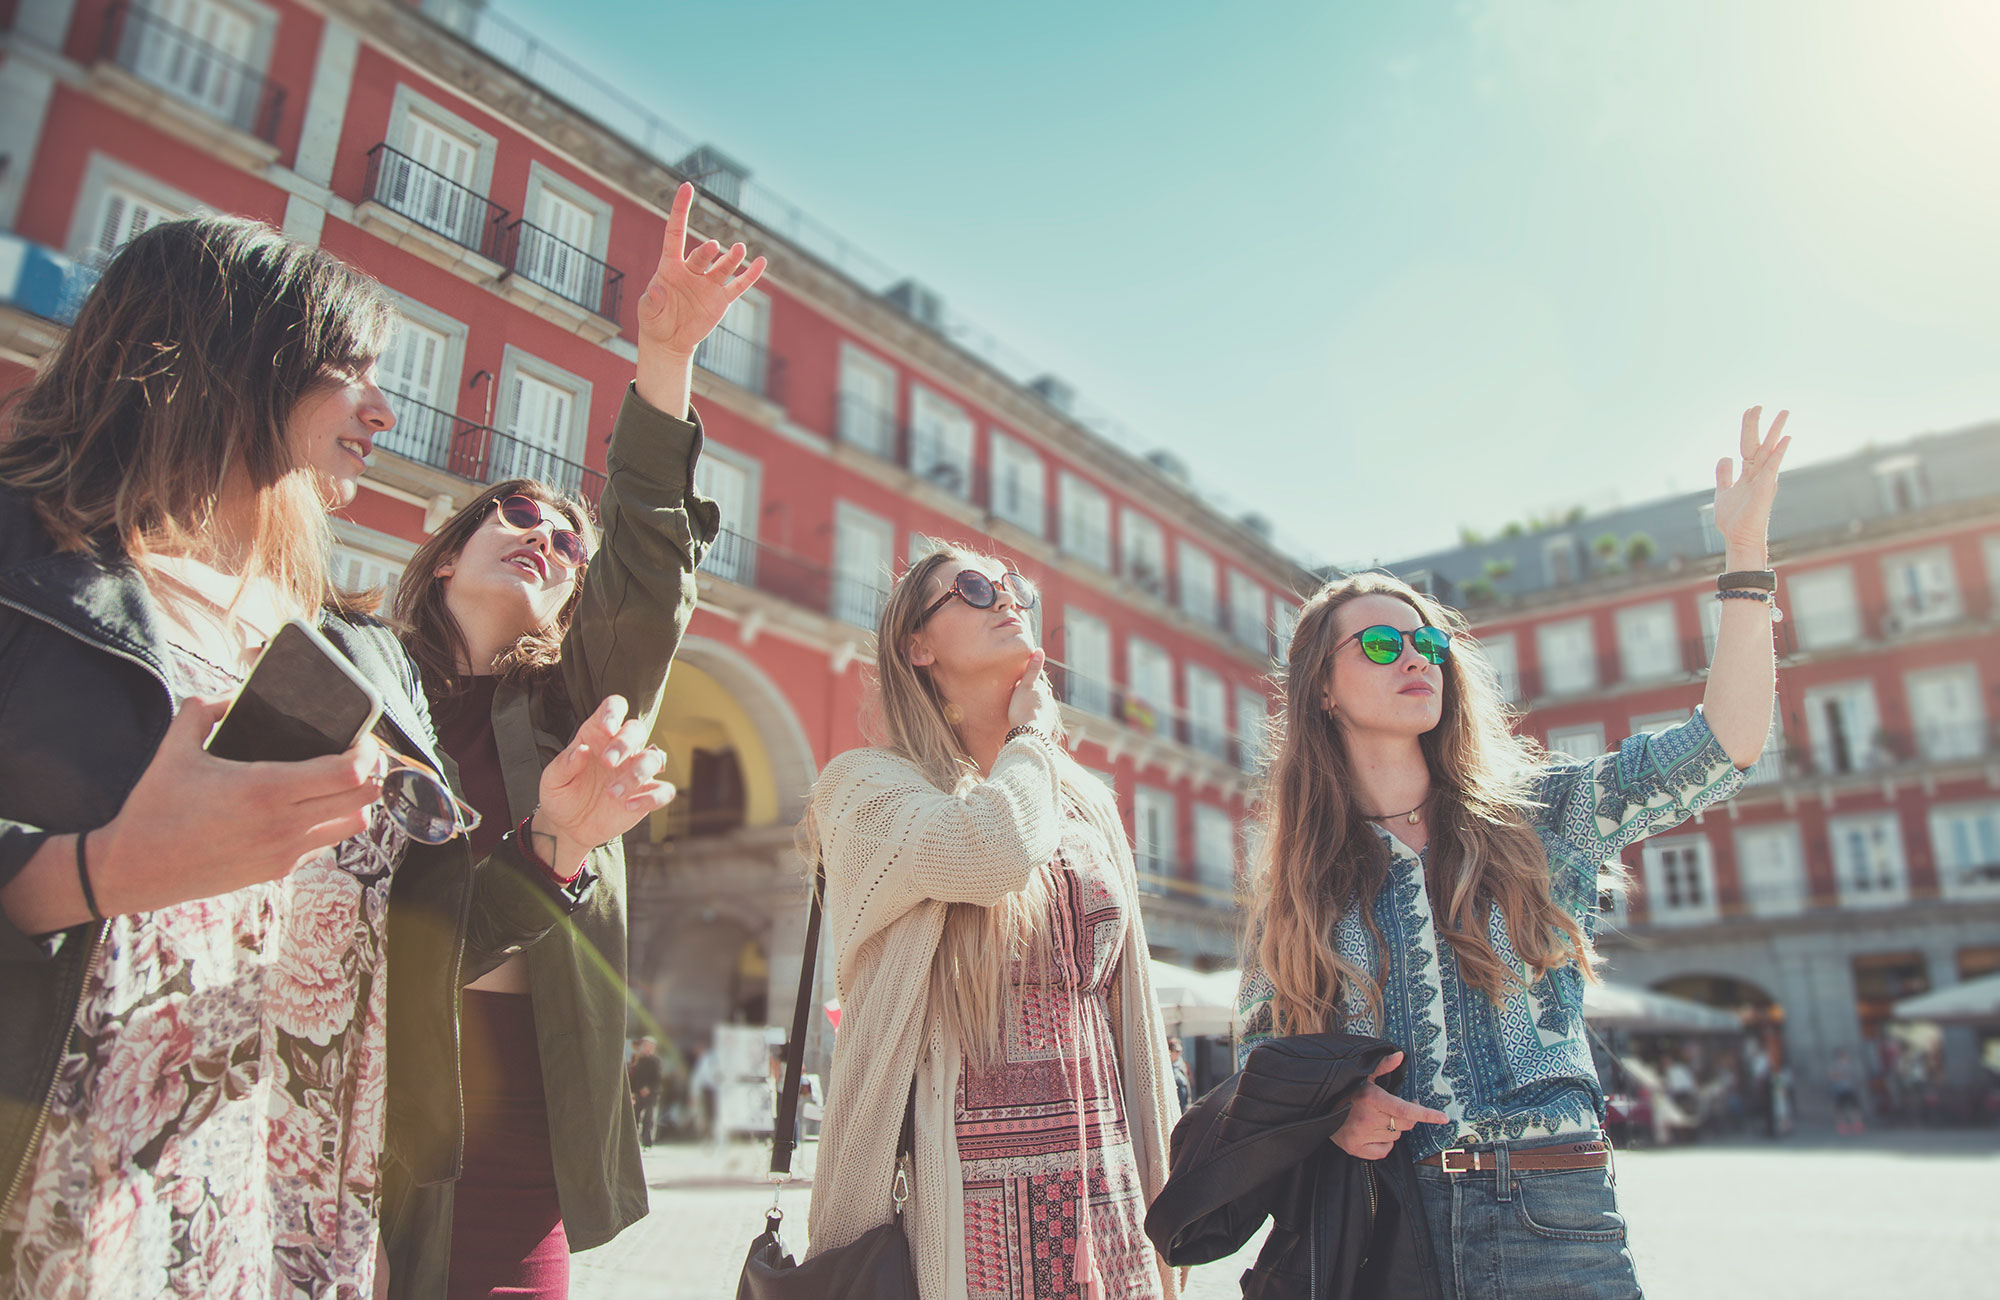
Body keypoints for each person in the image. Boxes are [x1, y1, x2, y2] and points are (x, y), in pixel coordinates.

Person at [0, 217, 658, 1298]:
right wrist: (88, 874)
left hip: (301, 1235)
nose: (384, 409)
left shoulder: (352, 660)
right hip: (76, 1215)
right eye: (349, 369)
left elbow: (410, 955)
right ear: (225, 353)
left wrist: (557, 842)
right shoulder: (25, 564)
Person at [1237, 409, 1791, 1299]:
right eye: (1382, 643)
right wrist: (1337, 1112)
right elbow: (1260, 1059)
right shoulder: (1299, 879)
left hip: (1554, 1212)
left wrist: (1746, 555)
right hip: (1386, 1226)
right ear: (1324, 691)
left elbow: (1723, 746)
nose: (1415, 656)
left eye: (1430, 644)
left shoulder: (1545, 813)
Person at [378, 181, 754, 1300]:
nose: (546, 537)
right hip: (358, 1093)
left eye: (568, 542)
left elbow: (647, 574)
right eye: (518, 516)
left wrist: (665, 357)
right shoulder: (358, 671)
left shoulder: (572, 706)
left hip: (520, 1124)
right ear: (449, 553)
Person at [804, 547, 1180, 1299]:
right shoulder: (863, 787)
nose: (1007, 600)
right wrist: (1033, 739)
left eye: (1017, 590)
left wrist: (1169, 1205)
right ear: (918, 645)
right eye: (974, 590)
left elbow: (1130, 1018)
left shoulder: (1083, 802)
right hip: (950, 1208)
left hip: (1104, 1193)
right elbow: (991, 851)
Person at [629, 1039, 666, 1148]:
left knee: (648, 1118)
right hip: (637, 1093)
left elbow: (658, 1079)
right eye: (644, 1045)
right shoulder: (638, 1060)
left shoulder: (656, 1061)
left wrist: (649, 1088)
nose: (646, 1047)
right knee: (635, 1117)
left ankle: (647, 1142)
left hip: (651, 1094)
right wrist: (634, 1091)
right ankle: (633, 1141)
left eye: (648, 1046)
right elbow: (633, 1077)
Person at [1828, 1048, 1865, 1136]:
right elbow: (1832, 1076)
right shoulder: (1835, 1066)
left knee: (1854, 1108)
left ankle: (1856, 1124)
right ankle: (1842, 1125)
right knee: (1840, 1109)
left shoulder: (1849, 1065)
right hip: (1839, 1090)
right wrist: (1840, 1073)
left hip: (1850, 1089)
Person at [1168, 1037, 1192, 1112]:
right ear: (1170, 1051)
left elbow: (1187, 1082)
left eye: (1181, 1051)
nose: (1180, 1054)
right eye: (1177, 1051)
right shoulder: (1167, 1067)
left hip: (1183, 1102)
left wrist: (1189, 1100)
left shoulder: (1181, 1064)